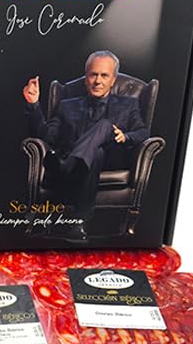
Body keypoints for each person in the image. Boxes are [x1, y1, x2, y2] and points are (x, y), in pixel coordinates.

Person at [22, 50, 149, 240]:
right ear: (86, 77)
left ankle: (66, 167)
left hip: (112, 159)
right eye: (93, 75)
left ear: (113, 80)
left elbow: (143, 132)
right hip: (90, 163)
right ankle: (78, 223)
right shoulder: (67, 105)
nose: (98, 81)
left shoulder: (128, 105)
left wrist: (125, 137)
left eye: (104, 75)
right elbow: (47, 136)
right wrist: (34, 105)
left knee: (105, 125)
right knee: (95, 153)